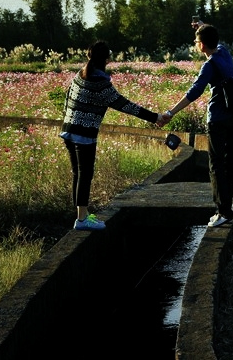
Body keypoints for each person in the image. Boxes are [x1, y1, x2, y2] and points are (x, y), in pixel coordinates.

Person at [60, 41, 167, 230]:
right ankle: (82, 220)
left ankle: (81, 216)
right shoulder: (100, 83)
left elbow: (67, 98)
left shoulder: (80, 74)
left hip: (68, 130)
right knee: (85, 175)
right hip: (84, 134)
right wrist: (155, 117)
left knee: (78, 174)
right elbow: (125, 105)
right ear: (107, 59)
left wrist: (69, 121)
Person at [162, 23, 233, 227]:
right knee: (231, 163)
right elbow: (215, 40)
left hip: (218, 120)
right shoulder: (224, 53)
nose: (195, 44)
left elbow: (194, 92)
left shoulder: (210, 65)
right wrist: (203, 27)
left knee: (215, 165)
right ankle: (227, 208)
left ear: (202, 45)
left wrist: (171, 112)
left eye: (197, 41)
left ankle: (222, 212)